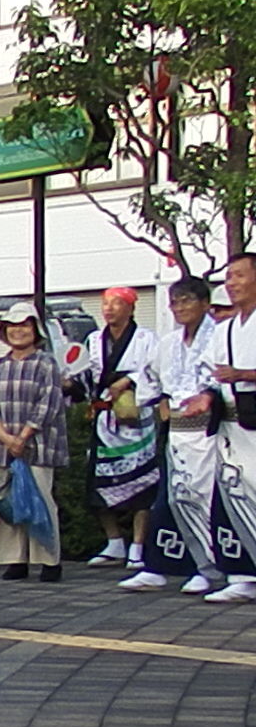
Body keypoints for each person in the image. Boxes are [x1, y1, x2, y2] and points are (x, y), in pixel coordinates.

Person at [119, 277, 229, 593]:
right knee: (172, 497)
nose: (180, 307)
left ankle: (208, 567)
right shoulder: (167, 343)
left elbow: (222, 380)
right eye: (175, 302)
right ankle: (159, 565)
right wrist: (159, 401)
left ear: (205, 304)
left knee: (205, 498)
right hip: (178, 430)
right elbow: (149, 378)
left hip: (211, 430)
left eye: (187, 301)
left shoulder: (219, 337)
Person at [71, 287, 160, 570]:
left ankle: (137, 545)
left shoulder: (146, 339)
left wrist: (129, 380)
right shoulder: (94, 340)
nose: (109, 309)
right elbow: (86, 376)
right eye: (105, 303)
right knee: (97, 483)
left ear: (131, 308)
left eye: (117, 303)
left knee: (142, 484)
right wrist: (70, 384)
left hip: (136, 421)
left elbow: (154, 372)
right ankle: (114, 542)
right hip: (104, 421)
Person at [0, 302, 68, 581]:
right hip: (3, 446)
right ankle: (14, 560)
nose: (18, 331)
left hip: (39, 445)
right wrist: (5, 437)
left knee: (41, 501)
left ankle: (49, 560)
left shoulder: (46, 362)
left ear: (36, 329)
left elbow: (49, 403)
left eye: (24, 325)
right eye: (12, 326)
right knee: (6, 501)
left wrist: (24, 436)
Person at [207, 253, 256, 603]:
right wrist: (204, 397)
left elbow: (233, 373)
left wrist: (242, 375)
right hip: (232, 423)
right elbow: (209, 374)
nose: (232, 283)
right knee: (235, 494)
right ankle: (241, 572)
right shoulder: (223, 329)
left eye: (239, 275)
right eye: (229, 277)